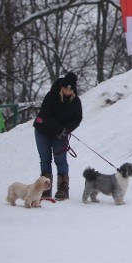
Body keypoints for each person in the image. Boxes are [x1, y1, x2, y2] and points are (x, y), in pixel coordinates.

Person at [33, 72, 83, 201]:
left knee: (60, 160)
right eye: (65, 88)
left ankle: (63, 189)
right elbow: (45, 115)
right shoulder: (51, 96)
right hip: (43, 130)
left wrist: (66, 130)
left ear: (73, 89)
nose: (67, 91)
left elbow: (77, 119)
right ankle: (45, 188)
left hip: (60, 135)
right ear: (62, 86)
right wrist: (59, 129)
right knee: (45, 160)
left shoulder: (76, 102)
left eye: (70, 89)